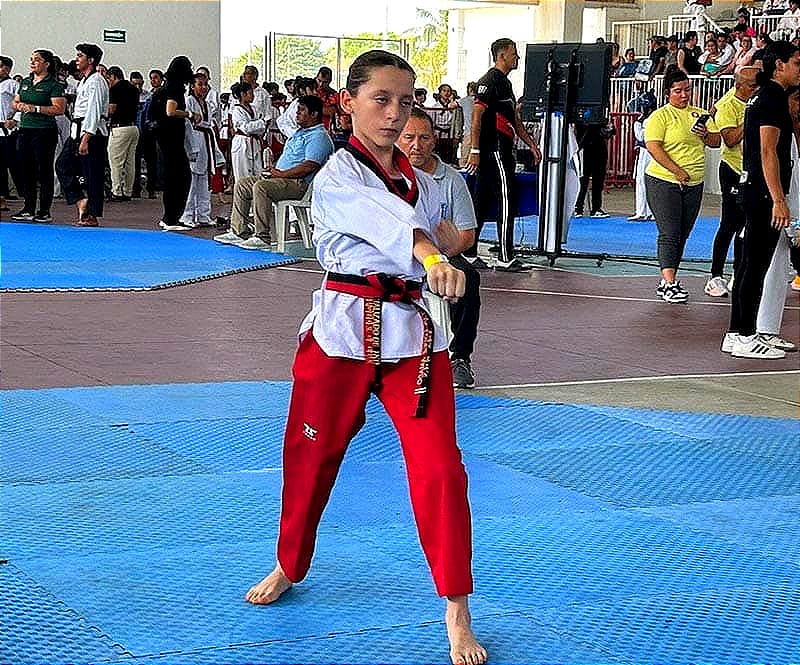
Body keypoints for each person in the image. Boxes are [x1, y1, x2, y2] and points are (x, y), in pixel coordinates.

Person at [243, 49, 487, 665]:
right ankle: (289, 562)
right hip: (340, 335)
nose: (394, 113)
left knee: (442, 468)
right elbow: (396, 228)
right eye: (381, 99)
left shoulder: (427, 180)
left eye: (406, 101)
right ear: (348, 103)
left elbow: (449, 234)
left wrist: (450, 251)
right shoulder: (336, 175)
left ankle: (457, 607)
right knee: (309, 458)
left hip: (411, 338)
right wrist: (433, 256)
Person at [722, 41, 800, 358]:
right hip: (762, 194)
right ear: (779, 64)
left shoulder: (764, 96)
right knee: (754, 266)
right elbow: (768, 151)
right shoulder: (771, 98)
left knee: (751, 265)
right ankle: (743, 335)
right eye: (796, 62)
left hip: (756, 189)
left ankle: (738, 332)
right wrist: (778, 199)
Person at [397, 107, 482, 389]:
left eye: (423, 138)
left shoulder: (451, 180)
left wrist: (442, 252)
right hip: (396, 256)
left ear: (434, 141)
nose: (416, 145)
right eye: (409, 137)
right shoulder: (386, 175)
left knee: (467, 277)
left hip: (442, 255)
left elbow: (467, 235)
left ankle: (460, 358)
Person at [215, 94, 333, 248]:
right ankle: (239, 231)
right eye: (297, 109)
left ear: (314, 114)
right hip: (281, 179)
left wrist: (280, 174)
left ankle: (262, 236)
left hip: (298, 184)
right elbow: (289, 158)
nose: (297, 113)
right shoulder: (299, 133)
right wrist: (273, 170)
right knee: (243, 184)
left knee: (261, 187)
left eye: (302, 110)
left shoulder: (319, 137)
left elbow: (309, 166)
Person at [465, 38, 542, 272]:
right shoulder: (489, 81)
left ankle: (469, 253)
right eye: (513, 53)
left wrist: (531, 145)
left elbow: (514, 120)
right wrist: (475, 150)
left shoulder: (505, 84)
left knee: (481, 200)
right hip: (495, 149)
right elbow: (477, 116)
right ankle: (505, 256)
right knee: (507, 198)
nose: (517, 57)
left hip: (502, 148)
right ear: (501, 56)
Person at [644, 68, 720, 303]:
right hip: (664, 180)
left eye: (687, 90)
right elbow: (653, 147)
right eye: (678, 91)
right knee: (669, 232)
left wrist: (705, 134)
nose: (684, 95)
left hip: (694, 182)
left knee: (683, 233)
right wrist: (676, 170)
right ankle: (669, 282)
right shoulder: (660, 116)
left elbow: (716, 142)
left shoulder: (699, 114)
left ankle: (668, 278)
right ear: (668, 92)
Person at [705, 67, 760, 297]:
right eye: (753, 86)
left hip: (753, 170)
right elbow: (729, 139)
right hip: (732, 170)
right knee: (729, 222)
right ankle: (715, 275)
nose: (757, 90)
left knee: (747, 225)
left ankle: (738, 271)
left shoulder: (757, 101)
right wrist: (751, 115)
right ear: (740, 86)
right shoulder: (728, 106)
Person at [54, 44, 107, 227]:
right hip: (77, 130)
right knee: (62, 165)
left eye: (80, 56)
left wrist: (86, 138)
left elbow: (94, 111)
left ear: (90, 60)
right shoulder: (83, 81)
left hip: (91, 133)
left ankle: (91, 214)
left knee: (92, 174)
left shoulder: (97, 81)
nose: (77, 59)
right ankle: (80, 199)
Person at [10, 49, 66, 223]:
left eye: (37, 60)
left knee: (44, 170)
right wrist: (19, 106)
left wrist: (36, 109)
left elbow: (59, 108)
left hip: (44, 131)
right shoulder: (25, 82)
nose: (32, 62)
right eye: (31, 59)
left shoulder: (54, 85)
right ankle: (28, 208)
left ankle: (44, 210)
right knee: (27, 170)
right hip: (25, 129)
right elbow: (15, 101)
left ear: (46, 64)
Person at [151, 55, 196, 231]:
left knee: (173, 177)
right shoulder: (175, 88)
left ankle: (169, 217)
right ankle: (171, 218)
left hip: (164, 138)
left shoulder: (164, 88)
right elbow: (170, 111)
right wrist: (189, 114)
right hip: (171, 139)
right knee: (181, 177)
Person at [180, 74, 224, 228]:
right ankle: (187, 215)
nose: (204, 87)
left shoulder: (206, 103)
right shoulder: (189, 101)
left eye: (206, 84)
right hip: (194, 140)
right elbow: (187, 125)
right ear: (192, 86)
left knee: (204, 180)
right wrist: (191, 148)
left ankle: (203, 215)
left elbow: (210, 125)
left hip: (206, 141)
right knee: (192, 181)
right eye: (200, 84)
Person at [106, 66, 140, 201]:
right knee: (130, 162)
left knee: (116, 162)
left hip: (119, 128)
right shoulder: (134, 89)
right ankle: (128, 191)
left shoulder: (115, 89)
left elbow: (112, 109)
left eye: (109, 78)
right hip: (133, 127)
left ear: (113, 76)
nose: (108, 81)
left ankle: (117, 191)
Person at [229, 81, 267, 180]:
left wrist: (258, 125)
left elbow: (261, 130)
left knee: (257, 172)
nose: (253, 96)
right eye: (251, 93)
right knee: (243, 174)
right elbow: (245, 128)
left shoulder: (254, 108)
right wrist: (261, 122)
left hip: (254, 142)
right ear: (243, 94)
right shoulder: (237, 110)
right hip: (242, 143)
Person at [0, 55, 21, 212]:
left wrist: (15, 119)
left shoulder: (13, 85)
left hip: (5, 130)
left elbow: (21, 103)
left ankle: (2, 198)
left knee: (3, 165)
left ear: (6, 69)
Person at [628, 100, 655, 221]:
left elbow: (640, 137)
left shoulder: (646, 120)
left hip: (647, 152)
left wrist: (637, 124)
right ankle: (646, 212)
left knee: (643, 180)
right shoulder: (652, 118)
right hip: (649, 152)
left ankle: (643, 212)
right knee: (647, 181)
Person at [457, 82, 476, 166]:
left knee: (465, 156)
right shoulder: (482, 101)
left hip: (468, 132)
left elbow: (451, 105)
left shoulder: (464, 100)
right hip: (480, 133)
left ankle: (463, 170)